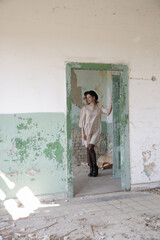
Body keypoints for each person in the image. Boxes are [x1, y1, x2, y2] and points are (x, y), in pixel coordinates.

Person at [79, 90, 112, 177]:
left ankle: (95, 167)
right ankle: (91, 168)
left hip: (96, 130)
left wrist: (112, 101)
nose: (88, 99)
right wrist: (82, 133)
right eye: (87, 98)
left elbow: (108, 112)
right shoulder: (85, 108)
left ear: (94, 97)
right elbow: (82, 122)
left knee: (90, 148)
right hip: (86, 131)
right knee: (88, 149)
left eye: (89, 97)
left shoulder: (99, 107)